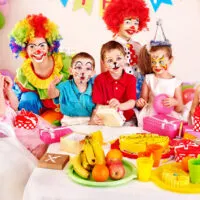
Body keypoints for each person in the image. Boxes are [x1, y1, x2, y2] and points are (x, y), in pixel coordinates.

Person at [9, 14, 72, 115]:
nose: (38, 50)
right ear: (25, 50)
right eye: (32, 46)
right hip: (39, 110)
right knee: (27, 98)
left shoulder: (63, 62)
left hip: (62, 108)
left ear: (49, 46)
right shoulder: (24, 73)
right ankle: (31, 122)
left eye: (42, 45)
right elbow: (16, 99)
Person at [103, 0, 152, 99]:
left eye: (136, 22)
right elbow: (105, 77)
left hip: (138, 93)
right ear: (117, 22)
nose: (132, 26)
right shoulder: (109, 47)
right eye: (128, 21)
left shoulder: (138, 46)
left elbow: (145, 71)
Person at [0, 73, 51, 159]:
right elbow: (1, 112)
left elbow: (15, 106)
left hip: (15, 119)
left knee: (38, 125)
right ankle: (38, 152)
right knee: (28, 137)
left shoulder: (3, 94)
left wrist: (8, 90)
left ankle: (49, 138)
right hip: (7, 128)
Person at [136, 39, 184, 127]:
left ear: (170, 60)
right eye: (153, 62)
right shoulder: (148, 79)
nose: (157, 65)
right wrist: (140, 103)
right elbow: (143, 101)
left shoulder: (176, 82)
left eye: (161, 62)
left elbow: (180, 108)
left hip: (168, 116)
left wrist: (175, 102)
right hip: (151, 115)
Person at [92, 40, 136, 125]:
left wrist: (118, 106)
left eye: (119, 58)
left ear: (125, 59)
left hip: (127, 120)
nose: (115, 63)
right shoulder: (99, 79)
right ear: (103, 63)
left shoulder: (131, 79)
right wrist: (98, 116)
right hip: (107, 120)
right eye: (109, 60)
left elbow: (132, 103)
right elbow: (99, 105)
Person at [48, 52, 96, 125]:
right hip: (69, 123)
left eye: (88, 68)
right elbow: (52, 95)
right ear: (71, 71)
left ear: (93, 73)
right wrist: (52, 85)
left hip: (89, 122)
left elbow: (100, 108)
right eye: (79, 67)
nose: (83, 72)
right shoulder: (64, 86)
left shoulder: (95, 89)